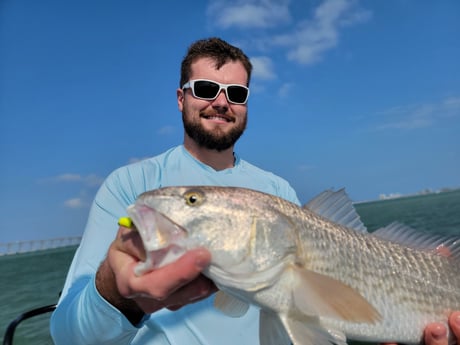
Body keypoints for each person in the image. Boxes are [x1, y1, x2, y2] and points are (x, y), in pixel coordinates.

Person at [50, 37, 460, 345]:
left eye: (237, 93)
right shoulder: (133, 187)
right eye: (206, 89)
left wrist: (423, 277)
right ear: (180, 99)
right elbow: (67, 334)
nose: (221, 102)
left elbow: (316, 308)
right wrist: (117, 292)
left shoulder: (278, 190)